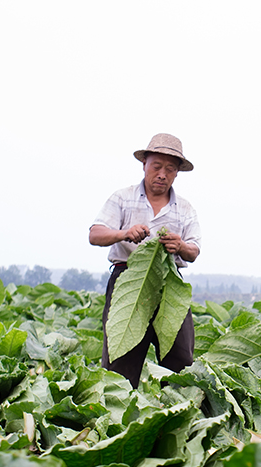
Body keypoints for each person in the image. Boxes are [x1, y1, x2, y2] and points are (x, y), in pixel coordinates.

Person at [89, 133, 201, 389]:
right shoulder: (122, 198)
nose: (162, 174)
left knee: (180, 359)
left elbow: (194, 251)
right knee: (120, 360)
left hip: (168, 285)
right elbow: (95, 234)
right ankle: (117, 417)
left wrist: (180, 245)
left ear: (176, 174)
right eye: (157, 166)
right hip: (128, 283)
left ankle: (178, 415)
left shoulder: (184, 208)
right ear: (145, 165)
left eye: (169, 169)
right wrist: (124, 233)